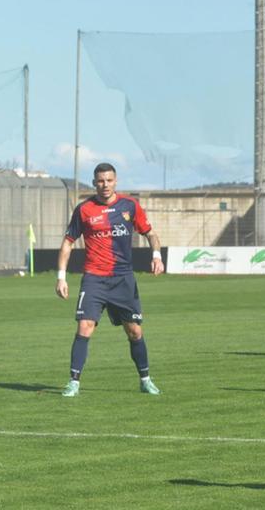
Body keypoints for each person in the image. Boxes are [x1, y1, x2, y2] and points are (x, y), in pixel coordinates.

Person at [55, 162, 164, 398]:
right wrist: (61, 277)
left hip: (123, 279)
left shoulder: (129, 206)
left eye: (109, 180)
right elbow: (67, 243)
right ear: (94, 183)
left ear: (116, 181)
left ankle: (145, 379)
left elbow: (151, 234)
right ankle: (73, 382)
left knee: (134, 331)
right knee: (85, 326)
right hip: (94, 279)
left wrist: (156, 255)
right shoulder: (84, 210)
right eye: (100, 181)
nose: (105, 185)